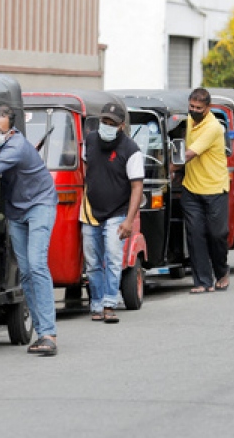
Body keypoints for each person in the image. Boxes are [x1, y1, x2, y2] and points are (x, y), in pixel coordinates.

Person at [0, 105, 59, 355]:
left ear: (10, 132)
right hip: (16, 210)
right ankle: (41, 333)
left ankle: (49, 334)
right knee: (26, 273)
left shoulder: (15, 147)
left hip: (40, 204)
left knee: (37, 266)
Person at [81, 103, 144, 323]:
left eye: (111, 124)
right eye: (104, 122)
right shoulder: (89, 140)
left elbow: (137, 186)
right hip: (90, 212)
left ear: (121, 126)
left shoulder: (131, 149)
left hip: (117, 212)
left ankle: (109, 304)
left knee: (113, 258)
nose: (106, 127)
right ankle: (96, 304)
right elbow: (87, 169)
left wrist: (129, 220)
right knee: (92, 263)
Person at [173, 88, 230, 293]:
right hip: (191, 188)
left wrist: (169, 167)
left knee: (217, 234)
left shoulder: (213, 127)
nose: (194, 110)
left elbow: (188, 154)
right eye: (191, 107)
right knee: (195, 235)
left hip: (214, 188)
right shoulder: (188, 120)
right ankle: (202, 281)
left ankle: (222, 271)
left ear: (208, 108)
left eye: (198, 108)